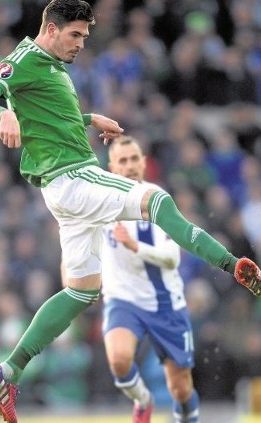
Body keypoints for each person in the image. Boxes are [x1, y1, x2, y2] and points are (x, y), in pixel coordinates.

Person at [0, 0, 261, 423]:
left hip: (62, 188)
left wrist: (89, 118)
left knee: (82, 290)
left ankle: (9, 369)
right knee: (156, 199)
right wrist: (1, 114)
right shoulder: (25, 59)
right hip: (73, 176)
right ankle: (231, 263)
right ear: (50, 29)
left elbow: (46, 112)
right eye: (74, 35)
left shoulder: (52, 66)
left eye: (85, 38)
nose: (80, 45)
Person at [101, 136, 199, 423]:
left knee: (180, 388)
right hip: (123, 300)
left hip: (165, 302)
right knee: (119, 360)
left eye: (134, 159)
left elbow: (172, 257)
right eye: (123, 160)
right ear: (111, 167)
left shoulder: (156, 200)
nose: (130, 166)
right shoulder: (99, 202)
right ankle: (143, 401)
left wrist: (135, 246)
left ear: (144, 162)